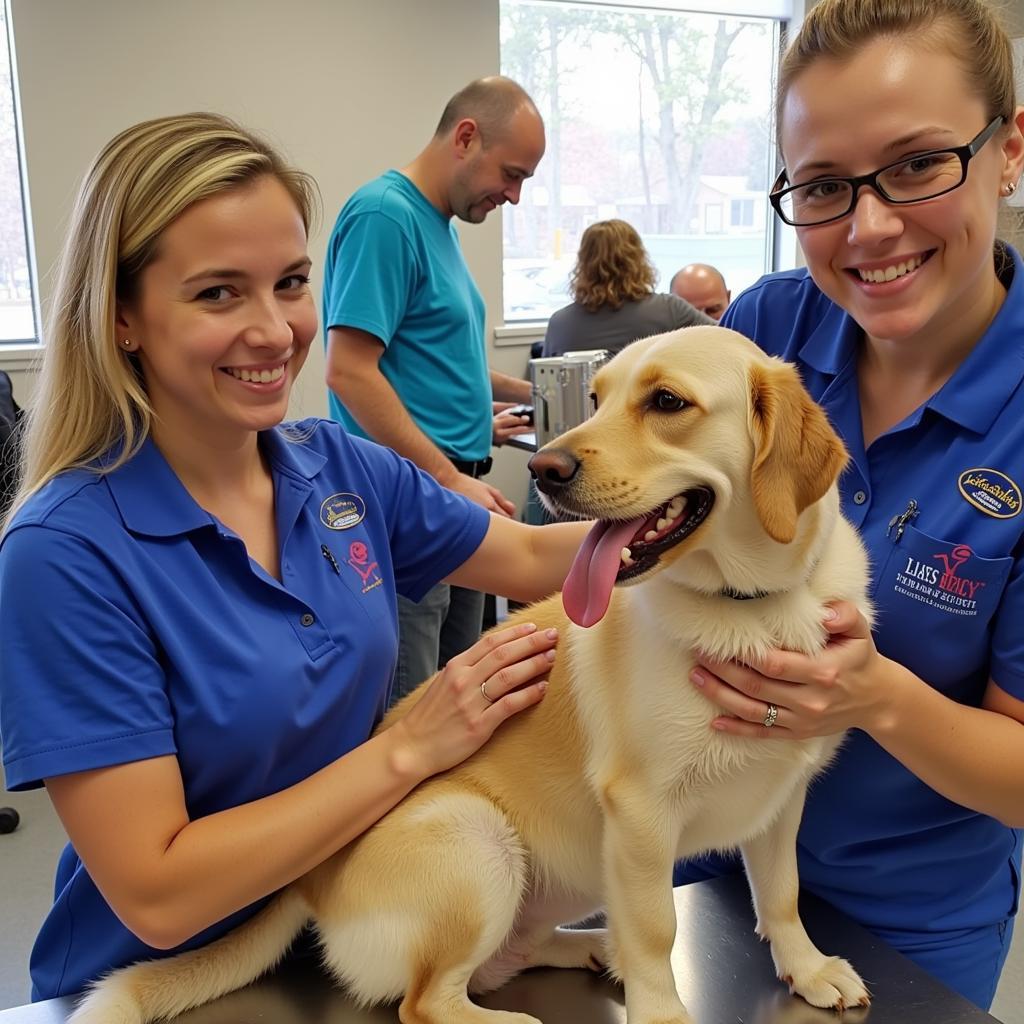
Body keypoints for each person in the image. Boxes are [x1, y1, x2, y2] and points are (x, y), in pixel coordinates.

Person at [0, 112, 588, 1003]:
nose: (276, 333)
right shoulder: (64, 554)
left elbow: (538, 557)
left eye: (291, 282)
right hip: (157, 989)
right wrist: (411, 749)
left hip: (346, 945)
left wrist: (733, 515)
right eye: (218, 294)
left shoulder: (340, 470)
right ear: (123, 317)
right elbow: (159, 894)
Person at [673, 0, 1024, 1011]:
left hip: (906, 917)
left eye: (917, 164)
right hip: (712, 854)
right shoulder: (765, 334)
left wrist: (876, 698)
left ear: (1007, 152)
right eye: (823, 186)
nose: (868, 228)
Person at [322, 76, 542, 705]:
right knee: (415, 702)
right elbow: (350, 370)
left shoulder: (437, 225)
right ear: (466, 137)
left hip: (456, 487)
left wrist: (531, 391)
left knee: (466, 688)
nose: (516, 196)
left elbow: (445, 360)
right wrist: (448, 481)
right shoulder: (385, 215)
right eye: (512, 173)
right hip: (414, 495)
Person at [541, 219, 711, 358]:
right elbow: (727, 337)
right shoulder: (670, 310)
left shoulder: (560, 323)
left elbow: (547, 385)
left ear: (583, 263)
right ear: (638, 259)